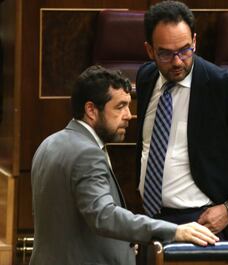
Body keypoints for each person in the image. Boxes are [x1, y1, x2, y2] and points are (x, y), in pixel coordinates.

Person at [30, 65, 218, 265]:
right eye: (120, 107)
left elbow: (68, 219)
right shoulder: (87, 153)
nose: (129, 115)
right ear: (91, 110)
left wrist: (121, 244)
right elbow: (103, 215)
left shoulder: (48, 144)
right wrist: (174, 230)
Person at [136, 0, 228, 240]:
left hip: (203, 223)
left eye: (184, 50)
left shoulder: (222, 85)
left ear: (194, 41)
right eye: (166, 54)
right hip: (151, 220)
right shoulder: (146, 77)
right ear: (150, 51)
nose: (178, 61)